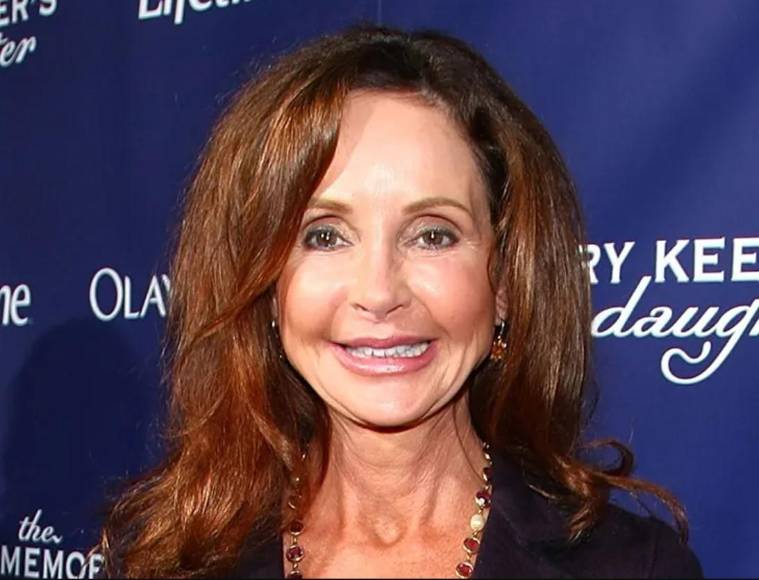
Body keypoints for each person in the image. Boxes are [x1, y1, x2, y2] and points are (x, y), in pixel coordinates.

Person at [96, 23, 703, 578]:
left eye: (432, 235)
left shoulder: (632, 568)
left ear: (505, 284)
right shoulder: (175, 563)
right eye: (324, 236)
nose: (379, 292)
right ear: (266, 288)